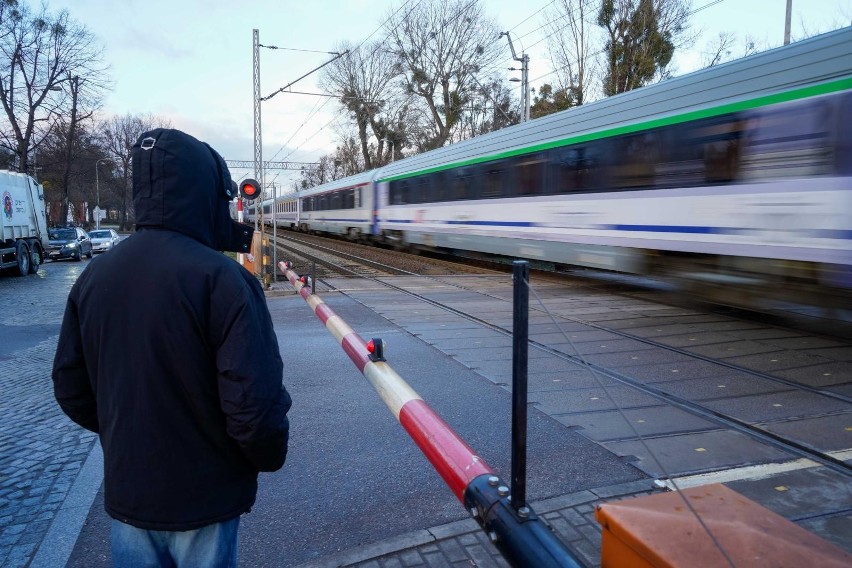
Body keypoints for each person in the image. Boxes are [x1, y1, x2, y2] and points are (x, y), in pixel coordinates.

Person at [52, 128, 292, 567]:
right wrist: (261, 459)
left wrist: (128, 436)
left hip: (130, 493)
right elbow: (254, 407)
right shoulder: (223, 281)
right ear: (206, 195)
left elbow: (70, 387)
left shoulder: (95, 278)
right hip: (206, 496)